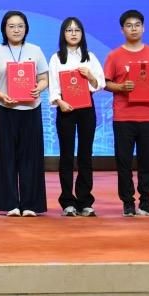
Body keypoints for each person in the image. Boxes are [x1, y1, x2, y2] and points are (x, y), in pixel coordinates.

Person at [0, 11, 49, 216]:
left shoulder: (35, 50)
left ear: (26, 28)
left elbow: (44, 79)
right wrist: (1, 95)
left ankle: (30, 204)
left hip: (31, 109)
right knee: (5, 157)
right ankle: (9, 203)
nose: (16, 30)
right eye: (11, 26)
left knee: (31, 157)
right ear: (4, 29)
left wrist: (39, 88)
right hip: (4, 109)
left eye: (20, 26)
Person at [102, 10, 149, 217]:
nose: (133, 29)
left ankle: (146, 201)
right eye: (129, 26)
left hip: (148, 116)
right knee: (124, 162)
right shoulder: (114, 55)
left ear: (143, 28)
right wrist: (121, 87)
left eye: (137, 25)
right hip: (123, 117)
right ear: (122, 30)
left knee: (148, 162)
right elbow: (106, 83)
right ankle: (128, 202)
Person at [47, 17, 105, 217]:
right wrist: (59, 102)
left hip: (86, 107)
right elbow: (53, 85)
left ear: (82, 34)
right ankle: (67, 202)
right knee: (66, 155)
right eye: (69, 30)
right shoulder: (56, 58)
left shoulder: (90, 56)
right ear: (63, 34)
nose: (73, 33)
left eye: (77, 30)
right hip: (65, 108)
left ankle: (85, 201)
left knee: (85, 154)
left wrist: (90, 76)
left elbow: (100, 83)